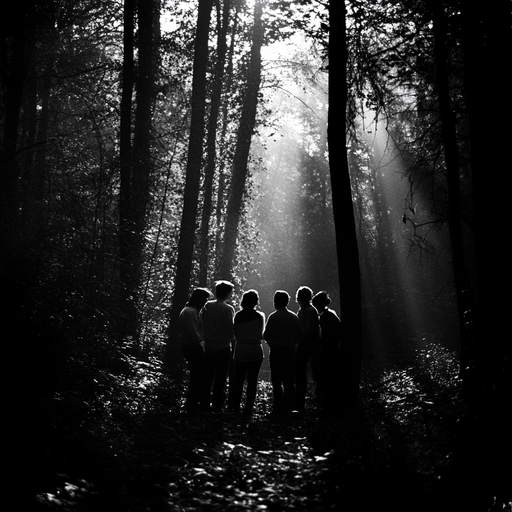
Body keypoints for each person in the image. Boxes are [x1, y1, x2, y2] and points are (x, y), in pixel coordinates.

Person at [263, 290, 304, 415]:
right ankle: (289, 404)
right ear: (287, 301)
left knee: (276, 378)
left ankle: (278, 404)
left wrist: (271, 342)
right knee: (289, 379)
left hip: (276, 351)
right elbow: (300, 335)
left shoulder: (273, 316)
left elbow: (266, 335)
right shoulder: (293, 316)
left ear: (275, 301)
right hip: (290, 350)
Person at [201, 280, 235, 412]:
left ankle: (204, 403)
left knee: (208, 376)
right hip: (223, 347)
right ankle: (216, 405)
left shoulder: (207, 306)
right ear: (227, 293)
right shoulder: (228, 309)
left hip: (209, 346)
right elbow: (229, 328)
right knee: (220, 378)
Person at [230, 290, 265, 415]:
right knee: (252, 381)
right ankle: (248, 407)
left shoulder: (238, 316)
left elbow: (234, 333)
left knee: (238, 380)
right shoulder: (260, 316)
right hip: (256, 351)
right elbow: (261, 335)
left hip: (240, 351)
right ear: (256, 301)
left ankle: (235, 406)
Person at [178, 287, 212, 413]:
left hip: (187, 345)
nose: (205, 302)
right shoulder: (192, 312)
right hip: (192, 346)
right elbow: (192, 331)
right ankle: (192, 403)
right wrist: (201, 342)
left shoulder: (186, 310)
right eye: (204, 299)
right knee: (197, 376)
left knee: (196, 375)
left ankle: (191, 402)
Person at [312, 291, 342, 412]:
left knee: (327, 372)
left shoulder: (325, 316)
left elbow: (325, 335)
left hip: (328, 349)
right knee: (332, 373)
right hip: (333, 348)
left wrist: (318, 342)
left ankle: (328, 400)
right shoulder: (330, 313)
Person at [295, 286, 320, 415]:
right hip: (302, 344)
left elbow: (308, 330)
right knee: (299, 372)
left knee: (300, 371)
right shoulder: (302, 311)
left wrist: (298, 341)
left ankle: (301, 400)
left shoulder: (310, 311)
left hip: (307, 345)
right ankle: (300, 399)